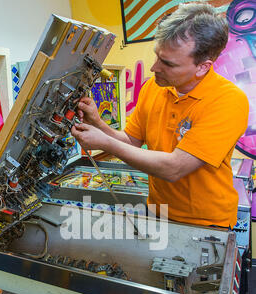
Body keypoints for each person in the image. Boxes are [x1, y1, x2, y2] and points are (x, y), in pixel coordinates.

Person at [71, 2, 249, 228]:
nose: (154, 68)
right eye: (157, 56)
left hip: (206, 223)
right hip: (157, 211)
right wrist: (97, 123)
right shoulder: (153, 87)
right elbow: (131, 141)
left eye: (168, 64)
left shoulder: (227, 100)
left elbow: (174, 168)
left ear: (202, 67)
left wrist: (104, 141)